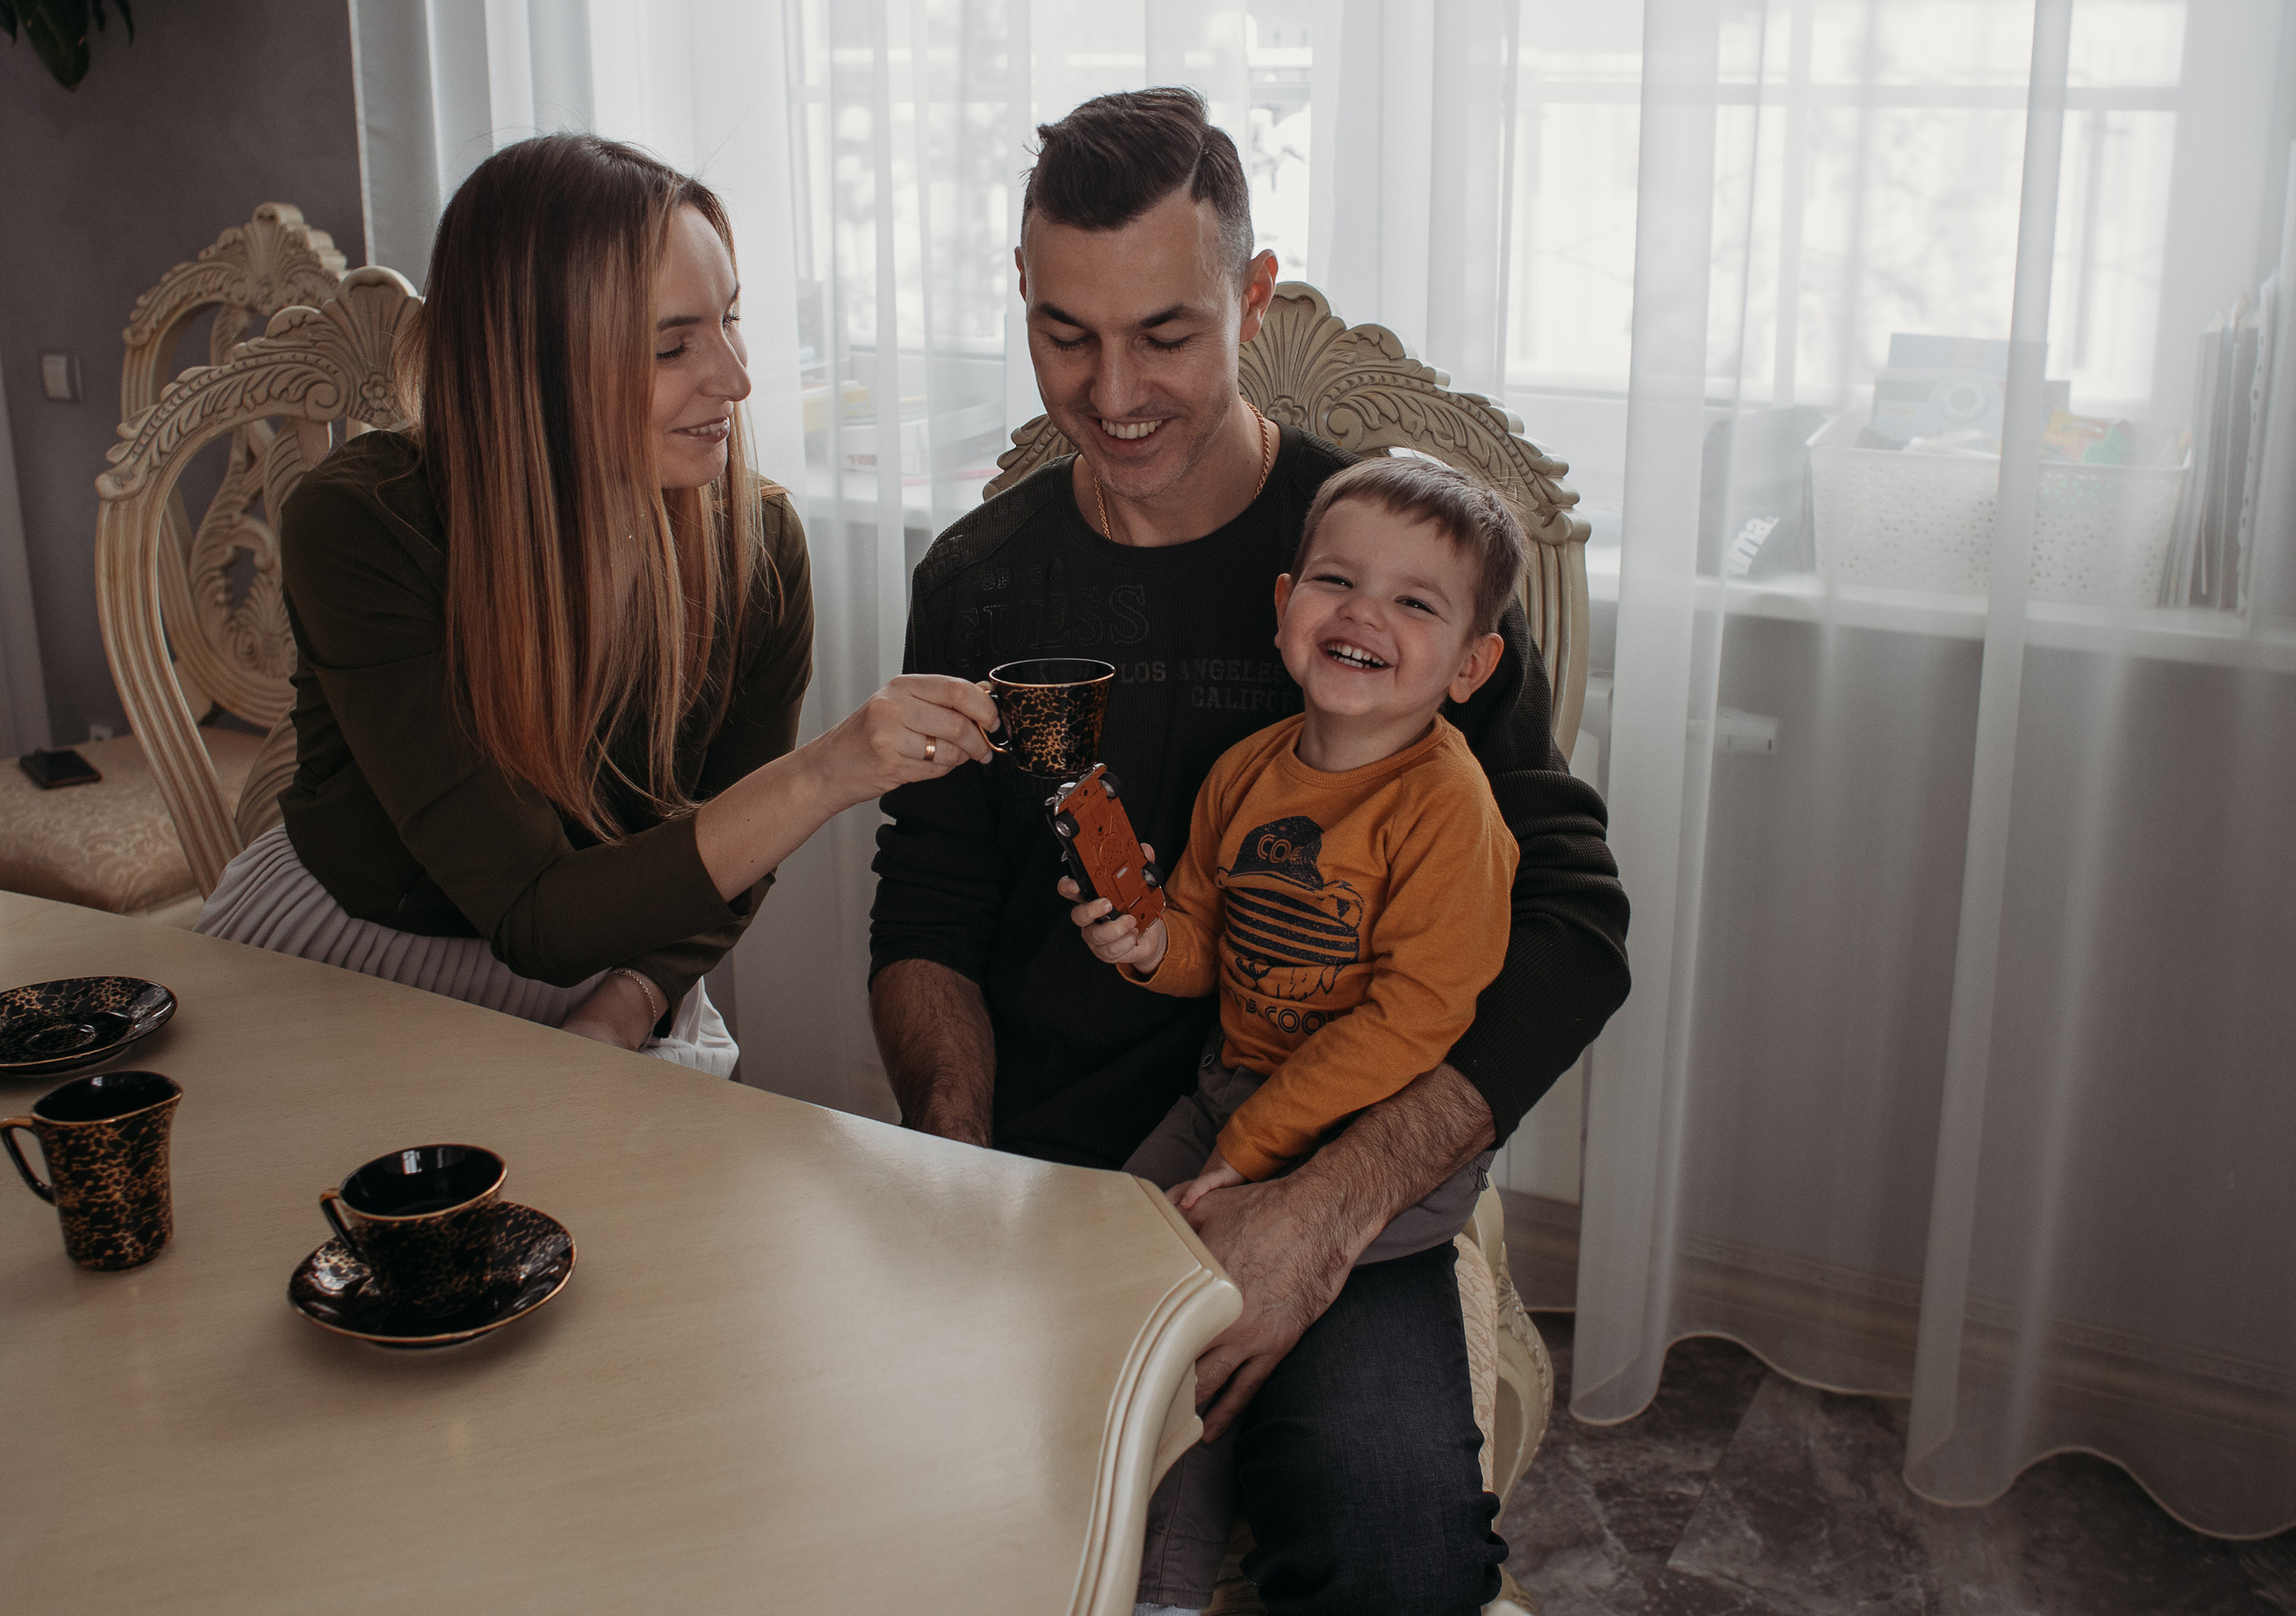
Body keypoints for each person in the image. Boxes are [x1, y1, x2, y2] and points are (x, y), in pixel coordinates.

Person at [868, 88, 1631, 1615]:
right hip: (1053, 1169)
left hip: (1330, 1154)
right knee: (929, 1531)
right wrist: (957, 1155)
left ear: (1253, 296)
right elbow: (933, 895)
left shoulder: (1390, 573)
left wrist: (1333, 1201)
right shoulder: (980, 577)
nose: (1114, 389)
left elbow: (1573, 925)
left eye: (1164, 331)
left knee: (1392, 1556)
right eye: (1063, 333)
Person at [197, 134, 999, 1076]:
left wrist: (631, 1004)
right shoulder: (364, 526)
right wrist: (826, 772)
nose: (736, 380)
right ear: (530, 365)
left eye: (730, 319)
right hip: (354, 961)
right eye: (671, 346)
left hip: (615, 973)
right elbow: (535, 914)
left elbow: (731, 848)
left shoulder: (758, 547)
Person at [1069, 456, 1527, 1610]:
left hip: (1377, 1148)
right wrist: (1141, 943)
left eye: (1416, 603)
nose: (1364, 612)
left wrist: (1251, 1155)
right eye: (1337, 580)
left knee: (1227, 1333)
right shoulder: (1245, 774)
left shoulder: (1444, 808)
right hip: (1230, 1097)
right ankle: (1140, 1577)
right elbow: (1206, 947)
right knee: (1115, 1306)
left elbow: (1416, 1017)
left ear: (1471, 666)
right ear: (1285, 609)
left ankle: (1170, 1578)